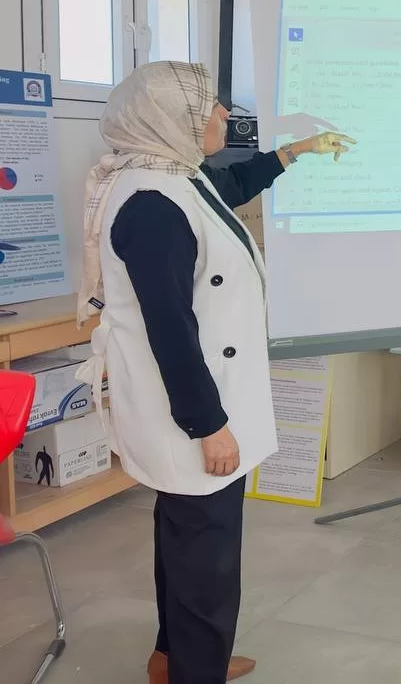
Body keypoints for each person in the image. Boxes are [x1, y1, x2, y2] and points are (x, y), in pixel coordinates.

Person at [75, 61, 353, 684]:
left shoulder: (174, 174)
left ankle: (172, 658)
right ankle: (196, 670)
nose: (224, 114)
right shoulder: (150, 206)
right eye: (211, 106)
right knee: (207, 557)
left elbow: (229, 185)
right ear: (170, 119)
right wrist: (208, 426)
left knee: (187, 538)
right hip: (192, 412)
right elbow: (170, 331)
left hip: (201, 401)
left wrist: (296, 152)